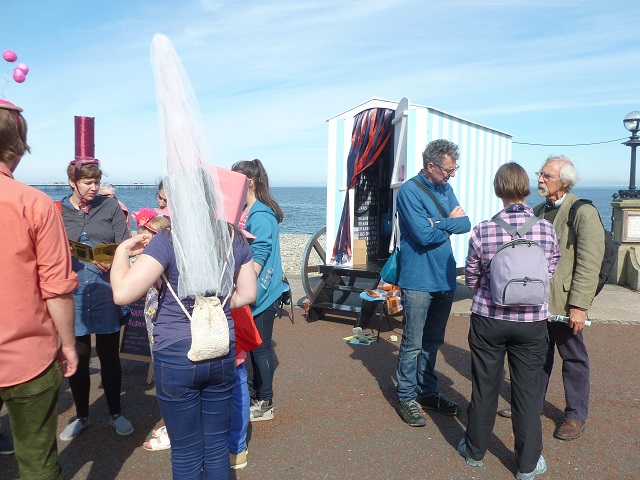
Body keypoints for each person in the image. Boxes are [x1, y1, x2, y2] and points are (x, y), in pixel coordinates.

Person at [110, 174, 257, 479]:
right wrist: (214, 305)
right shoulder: (234, 237)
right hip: (220, 347)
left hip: (176, 353)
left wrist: (121, 253)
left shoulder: (168, 240)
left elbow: (122, 292)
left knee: (187, 450)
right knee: (216, 445)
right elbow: (247, 294)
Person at [458, 162, 559, 479]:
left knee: (484, 387)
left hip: (489, 318)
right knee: (527, 393)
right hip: (532, 322)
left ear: (498, 190)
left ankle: (474, 452)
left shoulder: (483, 230)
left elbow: (471, 275)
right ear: (526, 189)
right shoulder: (545, 229)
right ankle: (527, 465)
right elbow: (549, 269)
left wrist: (485, 291)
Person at [0, 99, 79, 478]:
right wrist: (69, 345)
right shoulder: (35, 204)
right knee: (38, 463)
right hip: (27, 356)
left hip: (25, 356)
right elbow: (57, 289)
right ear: (17, 147)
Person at [58, 121, 134, 441]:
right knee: (77, 357)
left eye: (97, 181)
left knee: (109, 356)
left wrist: (114, 260)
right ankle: (82, 415)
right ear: (72, 181)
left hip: (104, 291)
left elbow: (126, 244)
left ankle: (115, 412)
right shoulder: (57, 210)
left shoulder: (111, 206)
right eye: (88, 182)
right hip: (73, 293)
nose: (94, 187)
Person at [394, 139, 471, 426]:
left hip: (444, 277)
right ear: (431, 166)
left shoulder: (445, 188)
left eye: (454, 169)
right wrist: (447, 222)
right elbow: (423, 236)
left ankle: (426, 392)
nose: (452, 175)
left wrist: (436, 222)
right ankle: (406, 396)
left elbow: (465, 224)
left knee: (433, 341)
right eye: (449, 170)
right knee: (413, 343)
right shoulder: (409, 191)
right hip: (417, 279)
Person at [231, 159, 286, 422]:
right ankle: (256, 393)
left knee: (261, 346)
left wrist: (244, 280)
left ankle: (266, 401)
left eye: (235, 179)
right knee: (254, 345)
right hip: (258, 289)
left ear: (249, 182)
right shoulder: (250, 210)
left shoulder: (260, 214)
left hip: (263, 291)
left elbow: (261, 250)